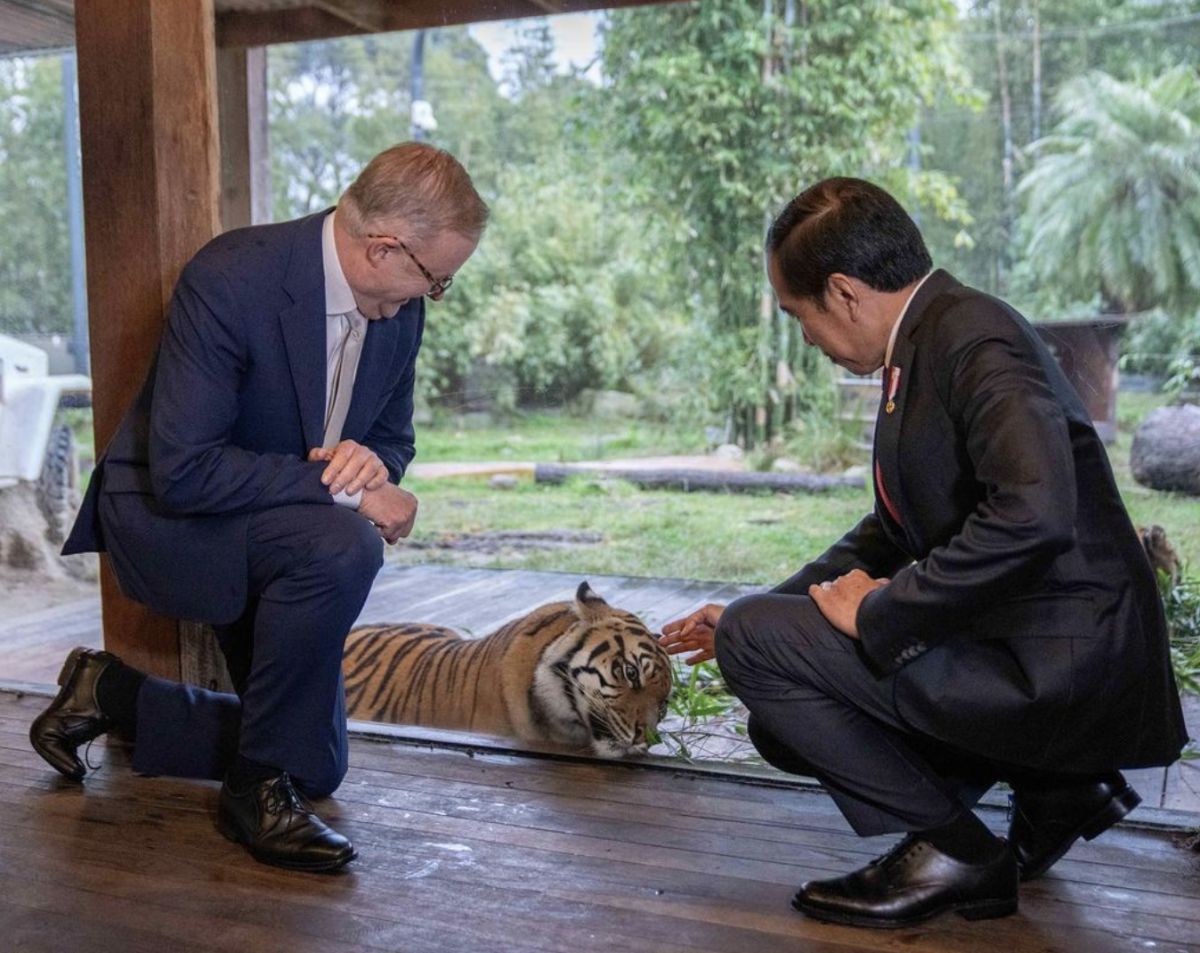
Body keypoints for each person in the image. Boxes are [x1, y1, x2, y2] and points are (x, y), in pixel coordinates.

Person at [660, 177, 1187, 928]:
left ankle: (959, 853)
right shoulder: (930, 337)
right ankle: (1057, 787)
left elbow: (1033, 512)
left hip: (1064, 667)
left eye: (797, 314)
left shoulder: (974, 334)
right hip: (1027, 647)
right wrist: (773, 608)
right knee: (764, 673)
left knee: (758, 643)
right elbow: (891, 528)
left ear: (842, 292)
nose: (805, 337)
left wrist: (877, 610)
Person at [29, 142, 488, 872]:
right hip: (173, 522)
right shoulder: (233, 276)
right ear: (382, 247)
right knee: (347, 545)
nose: (429, 298)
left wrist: (374, 464)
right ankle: (253, 796)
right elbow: (183, 473)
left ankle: (112, 693)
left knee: (316, 767)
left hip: (282, 530)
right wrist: (345, 489)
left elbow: (390, 438)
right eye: (436, 281)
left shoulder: (395, 311)